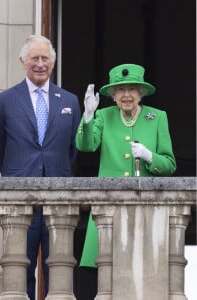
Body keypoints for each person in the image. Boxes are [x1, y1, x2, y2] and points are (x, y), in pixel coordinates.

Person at [75, 63, 176, 294]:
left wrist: (150, 157)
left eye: (132, 89)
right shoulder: (103, 115)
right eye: (120, 90)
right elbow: (86, 146)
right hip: (108, 210)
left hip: (145, 210)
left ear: (141, 93)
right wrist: (88, 116)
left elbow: (170, 165)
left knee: (142, 276)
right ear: (112, 95)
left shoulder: (157, 118)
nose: (126, 95)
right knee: (102, 275)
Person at [0, 35, 81, 300]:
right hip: (20, 195)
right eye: (35, 58)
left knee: (59, 266)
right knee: (20, 267)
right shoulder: (5, 100)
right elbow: (0, 147)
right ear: (23, 61)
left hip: (58, 194)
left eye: (45, 58)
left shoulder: (70, 100)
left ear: (53, 62)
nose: (40, 64)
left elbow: (72, 148)